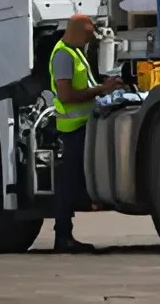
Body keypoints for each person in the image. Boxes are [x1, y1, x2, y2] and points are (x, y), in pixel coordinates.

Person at [50, 13, 124, 253]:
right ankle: (62, 236)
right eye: (88, 34)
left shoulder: (75, 52)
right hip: (73, 129)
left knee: (72, 181)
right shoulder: (63, 55)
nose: (90, 39)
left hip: (83, 126)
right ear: (77, 32)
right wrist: (100, 90)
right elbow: (66, 95)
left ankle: (64, 235)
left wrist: (103, 87)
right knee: (68, 183)